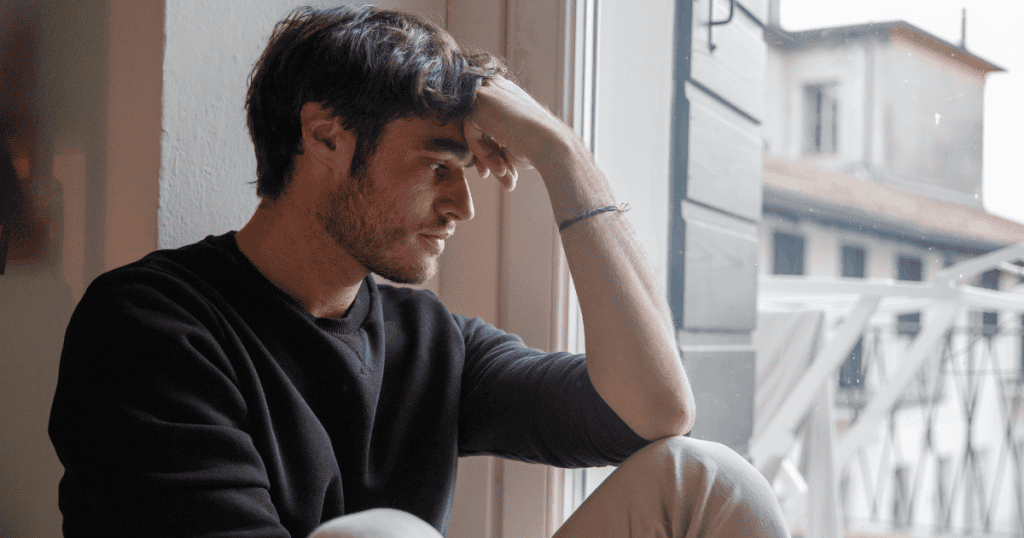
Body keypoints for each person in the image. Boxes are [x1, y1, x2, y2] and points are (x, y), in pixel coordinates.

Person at [48, 4, 789, 537]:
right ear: (326, 138)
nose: (463, 206)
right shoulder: (148, 327)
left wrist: (561, 153)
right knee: (386, 537)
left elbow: (654, 412)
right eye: (438, 165)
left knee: (705, 480)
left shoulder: (430, 341)